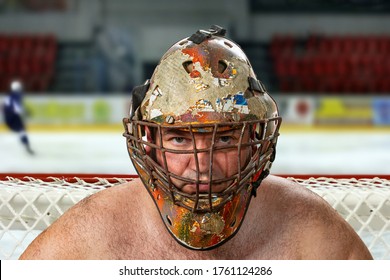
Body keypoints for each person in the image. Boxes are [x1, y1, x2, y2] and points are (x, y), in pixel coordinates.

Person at [19, 26, 372, 260]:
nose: (201, 163)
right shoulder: (88, 236)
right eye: (178, 137)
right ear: (151, 143)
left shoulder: (312, 234)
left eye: (226, 138)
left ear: (254, 141)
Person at [2, 80, 34, 155]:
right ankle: (27, 146)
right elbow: (17, 107)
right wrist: (25, 112)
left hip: (8, 117)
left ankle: (26, 145)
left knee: (21, 131)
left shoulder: (9, 96)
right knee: (22, 131)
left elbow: (4, 107)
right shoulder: (17, 95)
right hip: (13, 116)